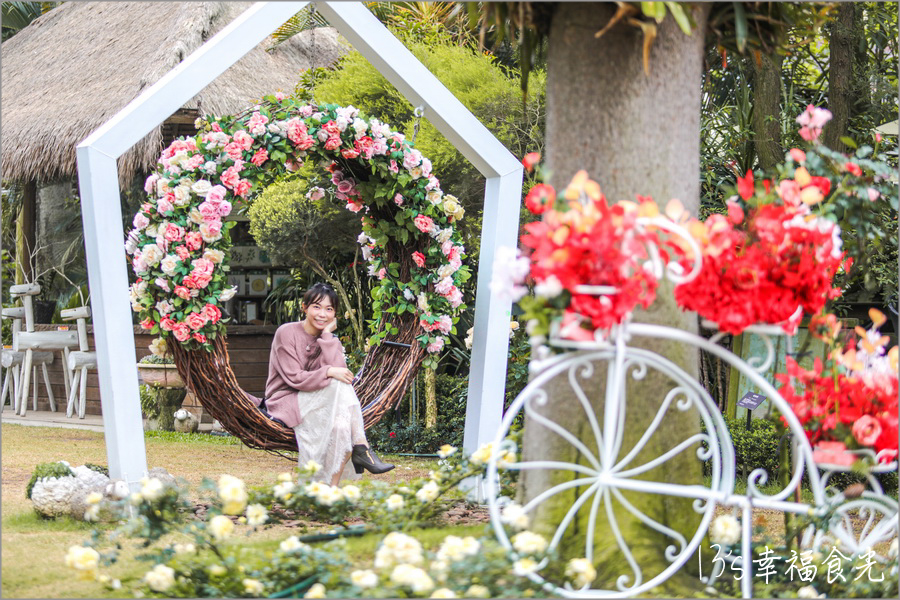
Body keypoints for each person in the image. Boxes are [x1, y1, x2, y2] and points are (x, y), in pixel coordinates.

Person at [262, 283, 393, 485]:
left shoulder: (330, 339)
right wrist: (329, 371)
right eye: (316, 306)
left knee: (341, 427)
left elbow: (343, 377)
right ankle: (362, 445)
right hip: (286, 400)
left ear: (335, 315)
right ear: (304, 307)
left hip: (321, 401)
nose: (322, 314)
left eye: (329, 309)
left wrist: (326, 337)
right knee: (335, 382)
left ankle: (329, 490)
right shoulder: (286, 332)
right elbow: (295, 378)